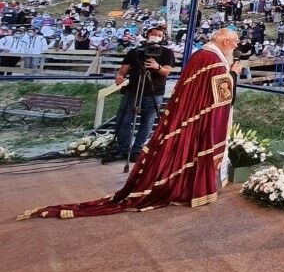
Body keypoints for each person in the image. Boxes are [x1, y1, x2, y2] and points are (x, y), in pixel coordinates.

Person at [19, 28, 241, 220]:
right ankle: (126, 150)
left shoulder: (205, 54)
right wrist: (233, 73)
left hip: (177, 104)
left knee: (146, 124)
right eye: (235, 42)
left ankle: (135, 152)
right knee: (127, 121)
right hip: (183, 109)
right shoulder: (211, 58)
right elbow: (220, 91)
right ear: (224, 41)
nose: (237, 45)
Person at [103, 27, 176, 163]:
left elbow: (167, 71)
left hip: (154, 92)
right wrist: (119, 77)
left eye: (159, 35)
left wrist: (157, 67)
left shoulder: (167, 52)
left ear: (163, 38)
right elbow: (122, 71)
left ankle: (137, 150)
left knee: (147, 122)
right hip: (133, 91)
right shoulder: (135, 52)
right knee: (124, 121)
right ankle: (123, 149)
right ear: (147, 35)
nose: (156, 36)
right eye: (153, 34)